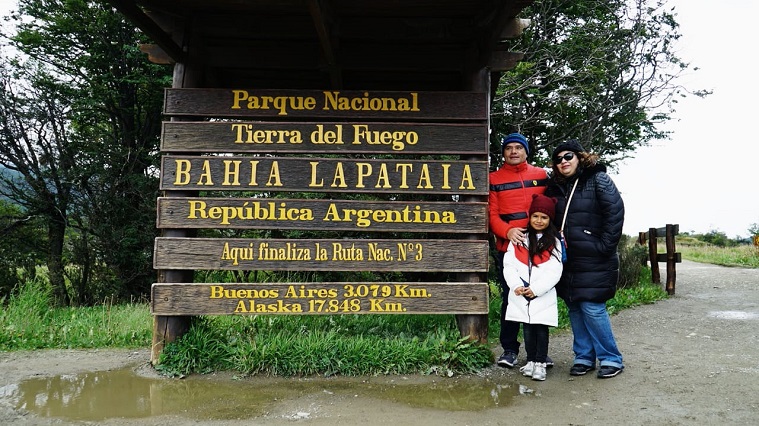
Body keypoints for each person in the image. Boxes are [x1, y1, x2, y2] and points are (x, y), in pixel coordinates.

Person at [545, 139, 625, 379]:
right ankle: (584, 356)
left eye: (568, 156)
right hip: (567, 259)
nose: (563, 162)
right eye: (558, 159)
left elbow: (615, 212)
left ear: (580, 157)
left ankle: (611, 358)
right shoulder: (555, 187)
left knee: (592, 307)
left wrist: (604, 246)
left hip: (594, 257)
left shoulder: (597, 179)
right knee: (575, 307)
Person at [488, 132, 552, 368]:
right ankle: (509, 349)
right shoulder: (493, 178)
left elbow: (551, 209)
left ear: (526, 151)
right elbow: (491, 214)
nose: (513, 152)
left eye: (518, 148)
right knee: (511, 297)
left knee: (538, 296)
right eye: (509, 148)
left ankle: (538, 353)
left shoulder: (541, 175)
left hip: (539, 248)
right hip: (509, 248)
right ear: (503, 152)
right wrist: (507, 232)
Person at [503, 194, 563, 381]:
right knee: (527, 327)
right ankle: (530, 360)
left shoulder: (554, 242)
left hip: (541, 294)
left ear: (550, 219)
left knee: (540, 329)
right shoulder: (520, 240)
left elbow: (555, 271)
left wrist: (536, 289)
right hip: (521, 293)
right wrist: (516, 285)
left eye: (544, 217)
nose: (539, 220)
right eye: (535, 216)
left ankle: (540, 363)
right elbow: (509, 265)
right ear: (529, 217)